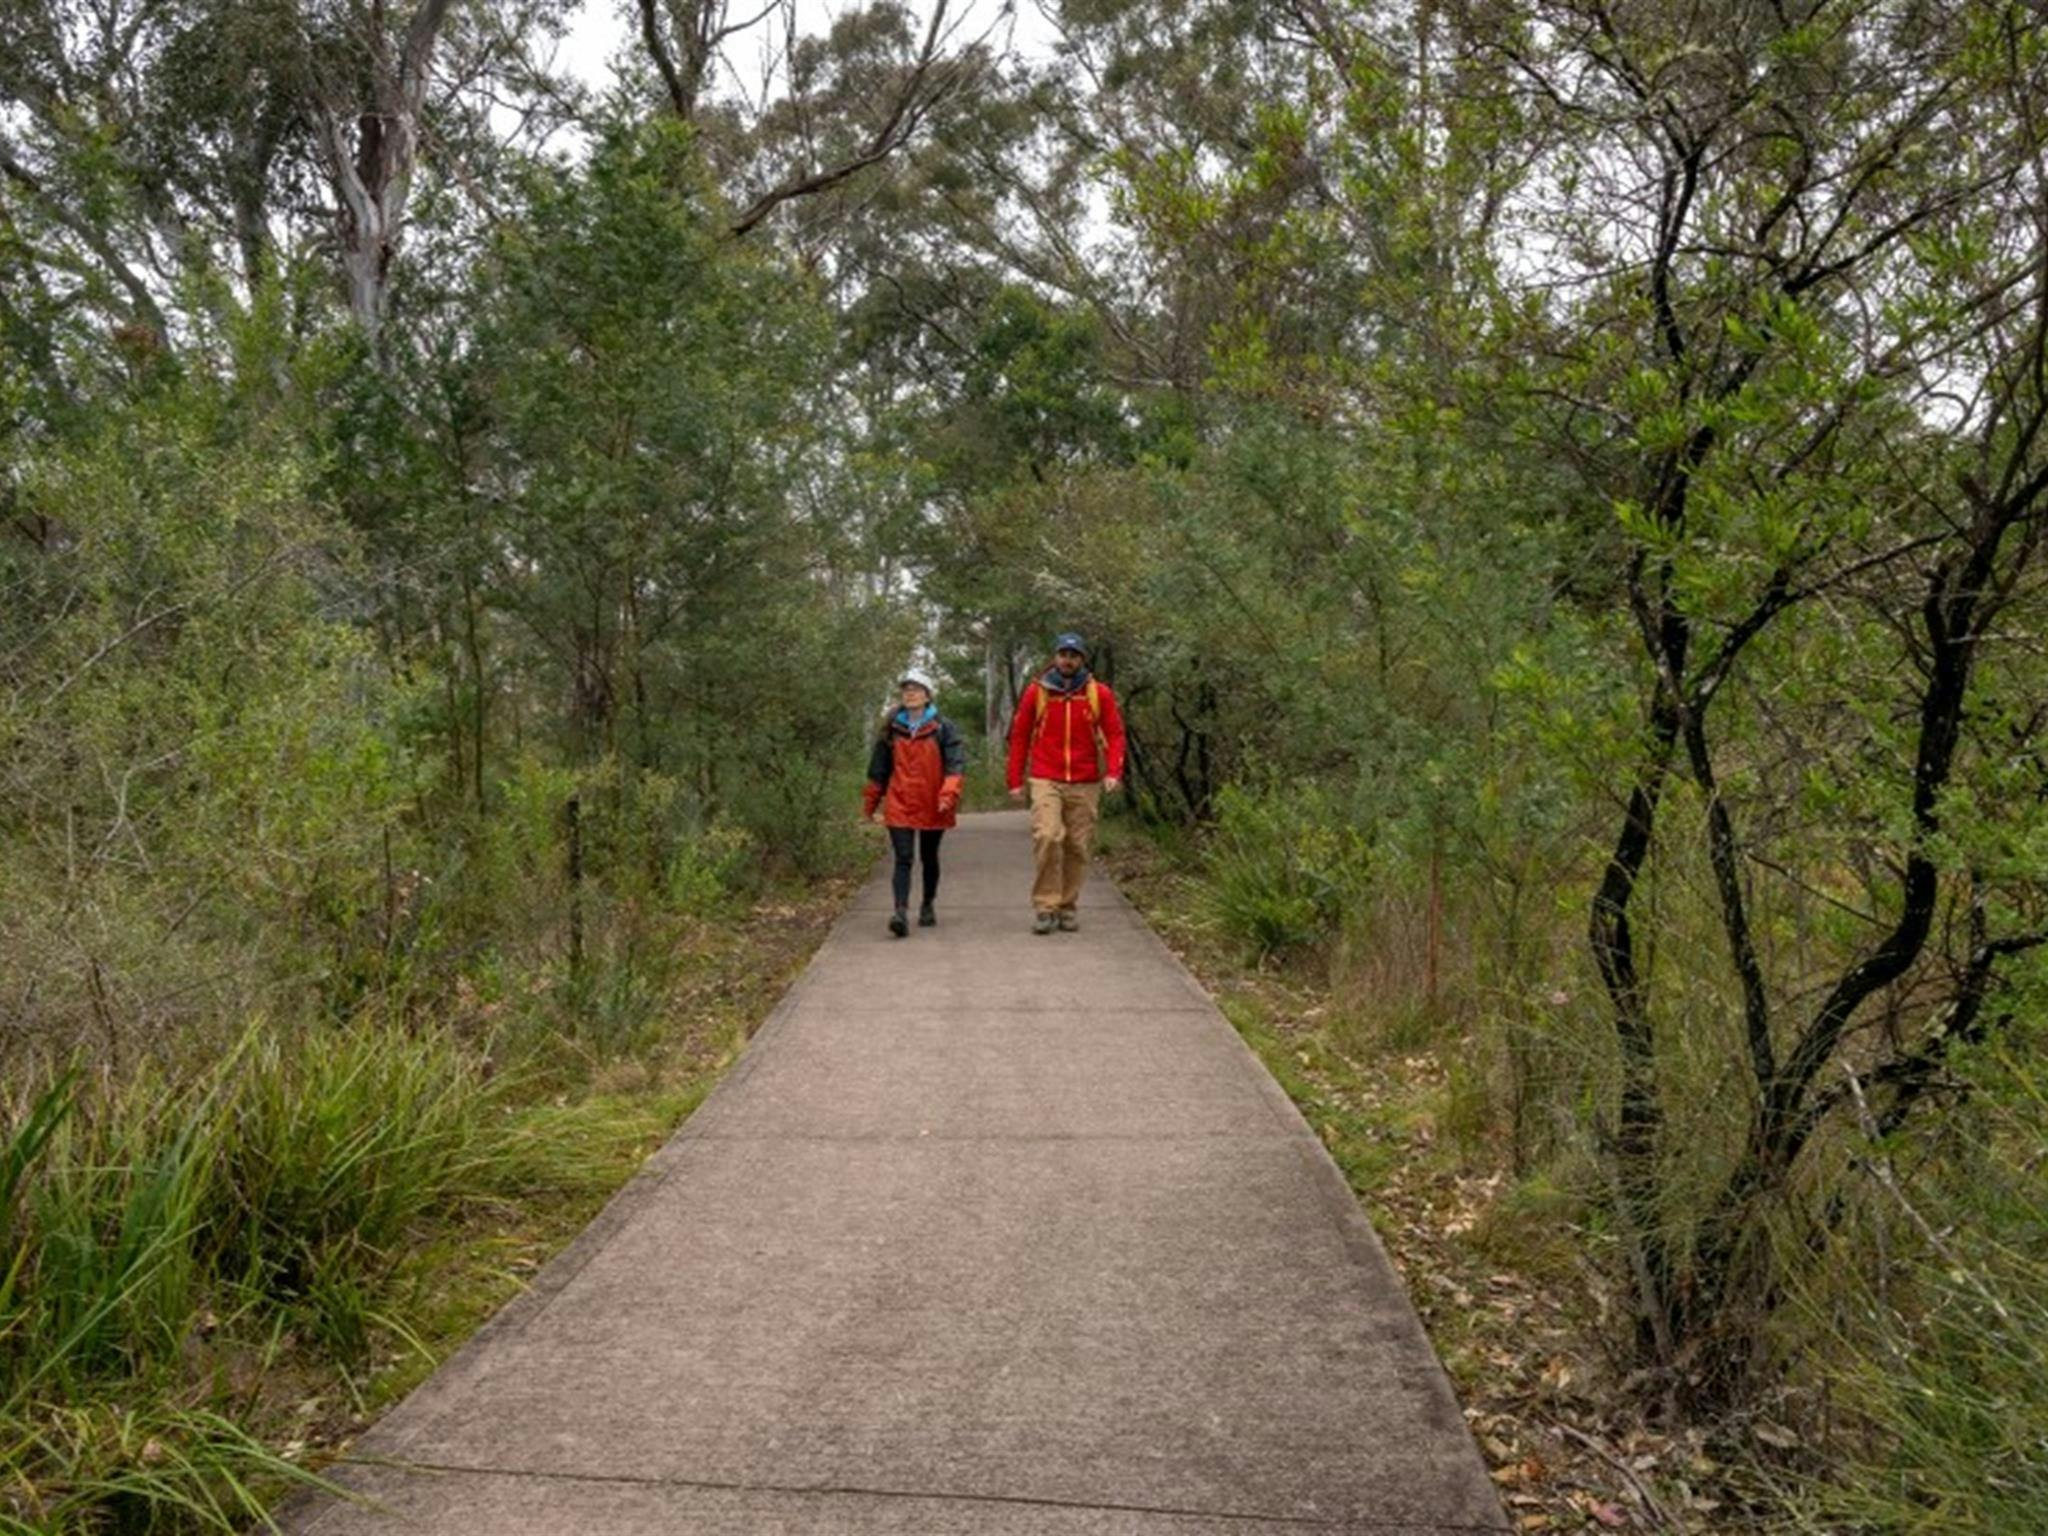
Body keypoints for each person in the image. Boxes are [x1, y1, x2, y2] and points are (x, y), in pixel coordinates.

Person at [1006, 633, 1126, 934]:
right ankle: (1046, 907)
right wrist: (1015, 780)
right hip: (1046, 776)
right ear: (1055, 657)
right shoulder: (1039, 692)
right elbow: (1019, 735)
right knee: (1047, 835)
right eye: (1062, 654)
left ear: (1082, 659)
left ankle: (1068, 906)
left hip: (1085, 780)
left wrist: (1113, 771)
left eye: (1074, 655)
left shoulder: (1099, 693)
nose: (1067, 660)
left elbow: (1114, 734)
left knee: (1077, 846)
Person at [863, 669, 966, 937]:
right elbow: (878, 771)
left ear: (928, 695)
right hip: (899, 801)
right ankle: (899, 913)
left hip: (934, 801)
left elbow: (955, 766)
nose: (910, 693)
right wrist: (870, 805)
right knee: (904, 858)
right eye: (906, 689)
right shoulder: (891, 729)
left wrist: (948, 794)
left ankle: (928, 903)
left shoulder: (944, 728)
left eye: (916, 689)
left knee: (929, 857)